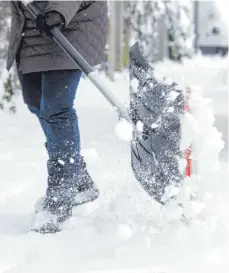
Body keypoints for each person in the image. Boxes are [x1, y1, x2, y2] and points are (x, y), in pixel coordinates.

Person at [6, 1, 108, 233]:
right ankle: (79, 180)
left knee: (56, 108)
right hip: (32, 32)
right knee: (35, 102)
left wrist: (58, 12)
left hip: (69, 28)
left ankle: (61, 196)